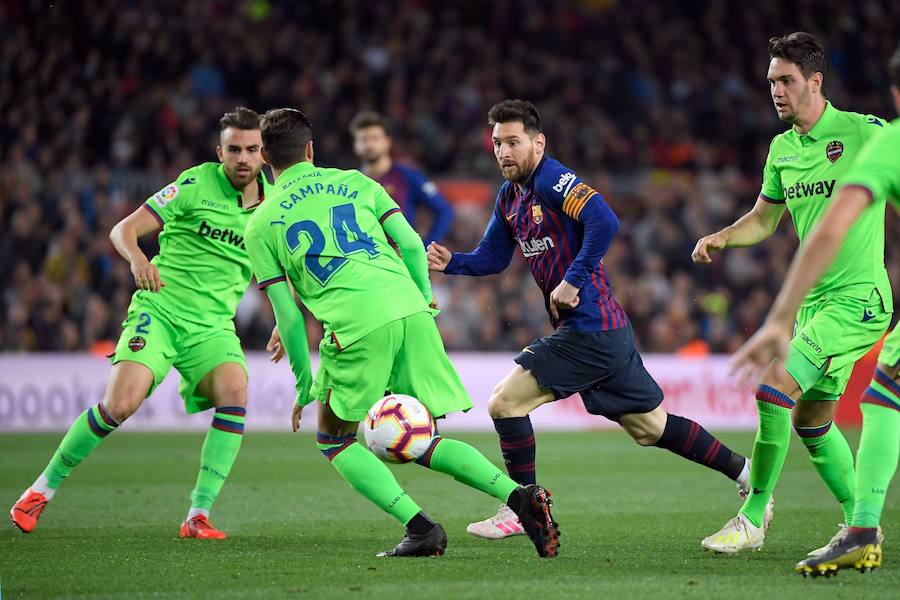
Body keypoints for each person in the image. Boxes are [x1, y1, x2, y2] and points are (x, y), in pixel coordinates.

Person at [428, 99, 752, 540]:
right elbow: (493, 256)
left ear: (538, 143)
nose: (503, 151)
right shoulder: (510, 196)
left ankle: (521, 505)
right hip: (604, 332)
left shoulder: (552, 178)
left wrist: (573, 279)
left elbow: (604, 219)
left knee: (505, 402)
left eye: (513, 142)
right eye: (497, 143)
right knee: (649, 427)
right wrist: (454, 263)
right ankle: (745, 472)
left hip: (590, 327)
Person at [244, 107, 560, 558]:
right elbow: (412, 243)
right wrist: (424, 296)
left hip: (356, 326)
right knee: (418, 435)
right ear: (311, 149)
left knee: (333, 438)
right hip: (410, 310)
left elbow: (289, 318)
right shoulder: (357, 182)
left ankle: (421, 529)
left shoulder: (259, 223)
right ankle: (520, 497)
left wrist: (302, 385)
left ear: (264, 160)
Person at [10, 107, 277, 539]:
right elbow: (123, 230)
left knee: (236, 393)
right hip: (161, 310)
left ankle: (198, 515)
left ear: (264, 153)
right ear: (219, 151)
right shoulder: (194, 184)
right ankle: (40, 490)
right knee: (120, 405)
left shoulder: (273, 205)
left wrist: (285, 319)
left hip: (211, 327)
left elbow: (283, 268)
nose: (243, 158)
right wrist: (137, 257)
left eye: (251, 149)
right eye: (234, 150)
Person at [692, 32, 891, 554]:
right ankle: (860, 527)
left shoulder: (864, 132)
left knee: (773, 386)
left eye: (786, 81)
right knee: (811, 419)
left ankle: (752, 515)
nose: (776, 90)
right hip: (814, 306)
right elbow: (764, 219)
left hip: (859, 301)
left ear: (815, 82)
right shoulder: (782, 149)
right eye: (771, 82)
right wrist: (723, 237)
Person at [350, 111, 453, 245]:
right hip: (365, 260)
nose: (369, 145)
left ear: (387, 142)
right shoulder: (350, 182)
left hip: (400, 261)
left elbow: (444, 210)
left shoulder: (408, 176)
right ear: (355, 145)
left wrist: (426, 247)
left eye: (374, 138)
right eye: (363, 139)